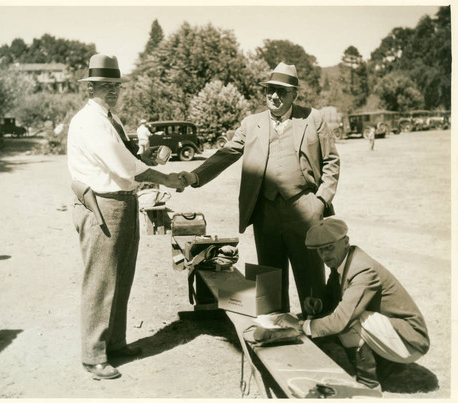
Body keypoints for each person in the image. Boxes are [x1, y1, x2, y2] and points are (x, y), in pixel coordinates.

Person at [178, 62, 340, 313]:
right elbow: (226, 154)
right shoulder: (251, 123)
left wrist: (320, 202)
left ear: (294, 95)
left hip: (305, 212)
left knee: (311, 278)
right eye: (270, 90)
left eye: (281, 91)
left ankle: (319, 331)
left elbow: (331, 161)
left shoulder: (313, 118)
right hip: (266, 214)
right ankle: (276, 329)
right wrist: (194, 176)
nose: (274, 96)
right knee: (269, 279)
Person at [67, 54, 184, 380]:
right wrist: (168, 178)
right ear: (90, 88)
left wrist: (144, 158)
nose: (113, 91)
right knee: (101, 281)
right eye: (105, 86)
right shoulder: (91, 121)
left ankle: (114, 343)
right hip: (102, 205)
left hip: (121, 202)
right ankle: (93, 355)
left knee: (120, 278)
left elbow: (126, 159)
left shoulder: (108, 119)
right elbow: (123, 166)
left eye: (116, 86)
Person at [276, 218, 430, 391]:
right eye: (320, 250)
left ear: (346, 242)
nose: (325, 255)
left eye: (330, 247)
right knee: (345, 316)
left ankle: (369, 384)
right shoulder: (344, 260)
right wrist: (319, 303)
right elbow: (332, 297)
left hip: (411, 341)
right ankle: (387, 365)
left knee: (348, 321)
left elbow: (340, 320)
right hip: (395, 331)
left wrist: (302, 326)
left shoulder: (362, 269)